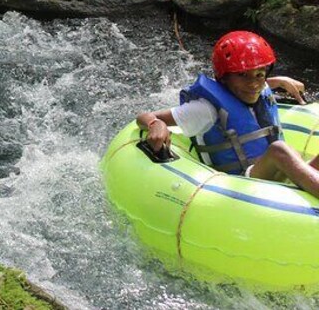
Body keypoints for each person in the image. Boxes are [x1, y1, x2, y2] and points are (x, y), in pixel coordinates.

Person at [137, 30, 319, 198]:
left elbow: (256, 85)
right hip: (242, 183)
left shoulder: (257, 87)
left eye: (259, 74)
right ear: (223, 77)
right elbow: (144, 116)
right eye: (242, 75)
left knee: (285, 152)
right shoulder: (204, 109)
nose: (254, 84)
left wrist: (279, 81)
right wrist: (155, 124)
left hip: (278, 173)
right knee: (279, 150)